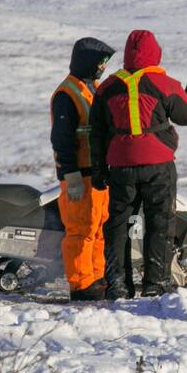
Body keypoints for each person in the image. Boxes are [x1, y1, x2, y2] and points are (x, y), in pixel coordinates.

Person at [89, 29, 187, 298]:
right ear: (155, 53)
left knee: (119, 225)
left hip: (120, 167)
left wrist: (98, 170)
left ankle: (118, 284)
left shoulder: (107, 87)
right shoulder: (163, 83)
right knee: (160, 222)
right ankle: (156, 283)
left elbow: (96, 133)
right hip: (158, 166)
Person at [50, 36, 115, 301]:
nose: (103, 67)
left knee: (98, 227)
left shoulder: (92, 88)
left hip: (97, 174)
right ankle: (80, 284)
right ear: (88, 61)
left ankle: (96, 277)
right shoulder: (67, 93)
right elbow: (61, 139)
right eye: (100, 62)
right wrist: (70, 174)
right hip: (79, 175)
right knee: (80, 230)